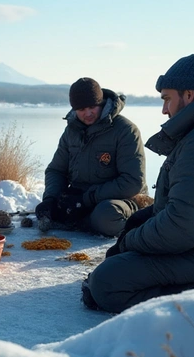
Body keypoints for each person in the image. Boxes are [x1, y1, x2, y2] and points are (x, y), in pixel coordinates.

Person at [84, 53, 194, 313]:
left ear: (189, 95)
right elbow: (186, 209)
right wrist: (141, 220)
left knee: (108, 282)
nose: (164, 109)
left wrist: (128, 241)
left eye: (167, 98)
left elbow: (180, 229)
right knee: (121, 263)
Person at [34, 77, 149, 237]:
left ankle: (79, 221)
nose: (88, 113)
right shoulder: (71, 132)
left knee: (106, 216)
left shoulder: (126, 131)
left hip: (119, 199)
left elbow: (133, 182)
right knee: (54, 208)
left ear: (101, 103)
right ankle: (76, 219)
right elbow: (56, 170)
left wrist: (87, 199)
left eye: (92, 107)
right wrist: (51, 199)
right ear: (74, 109)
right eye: (81, 109)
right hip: (79, 200)